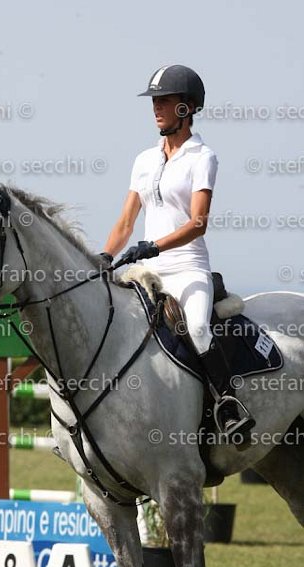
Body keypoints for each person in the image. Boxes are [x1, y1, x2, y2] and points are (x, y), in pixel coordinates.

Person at [102, 64, 255, 445]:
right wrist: (103, 257)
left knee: (199, 329)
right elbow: (126, 222)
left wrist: (154, 245)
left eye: (164, 100)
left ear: (186, 107)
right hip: (147, 272)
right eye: (154, 101)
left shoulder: (202, 157)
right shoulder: (144, 160)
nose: (156, 107)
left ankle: (229, 406)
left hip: (187, 268)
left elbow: (198, 223)